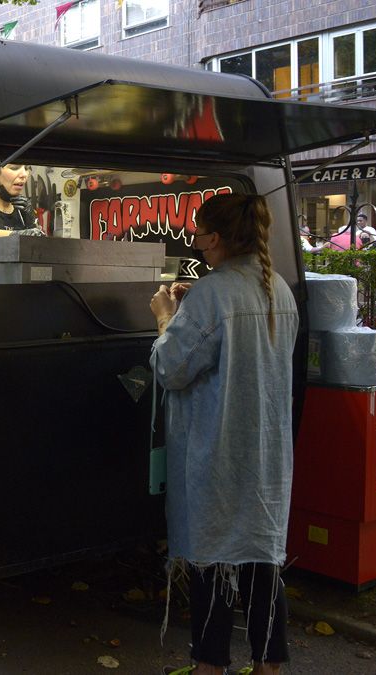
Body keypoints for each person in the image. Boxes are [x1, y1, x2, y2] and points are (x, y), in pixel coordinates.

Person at [148, 194, 297, 675]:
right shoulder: (280, 288)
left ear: (213, 238)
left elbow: (172, 367)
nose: (195, 241)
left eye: (197, 233)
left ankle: (211, 666)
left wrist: (165, 319)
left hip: (218, 452)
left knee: (213, 561)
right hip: (266, 453)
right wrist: (199, 307)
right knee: (260, 559)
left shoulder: (213, 294)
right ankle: (269, 665)